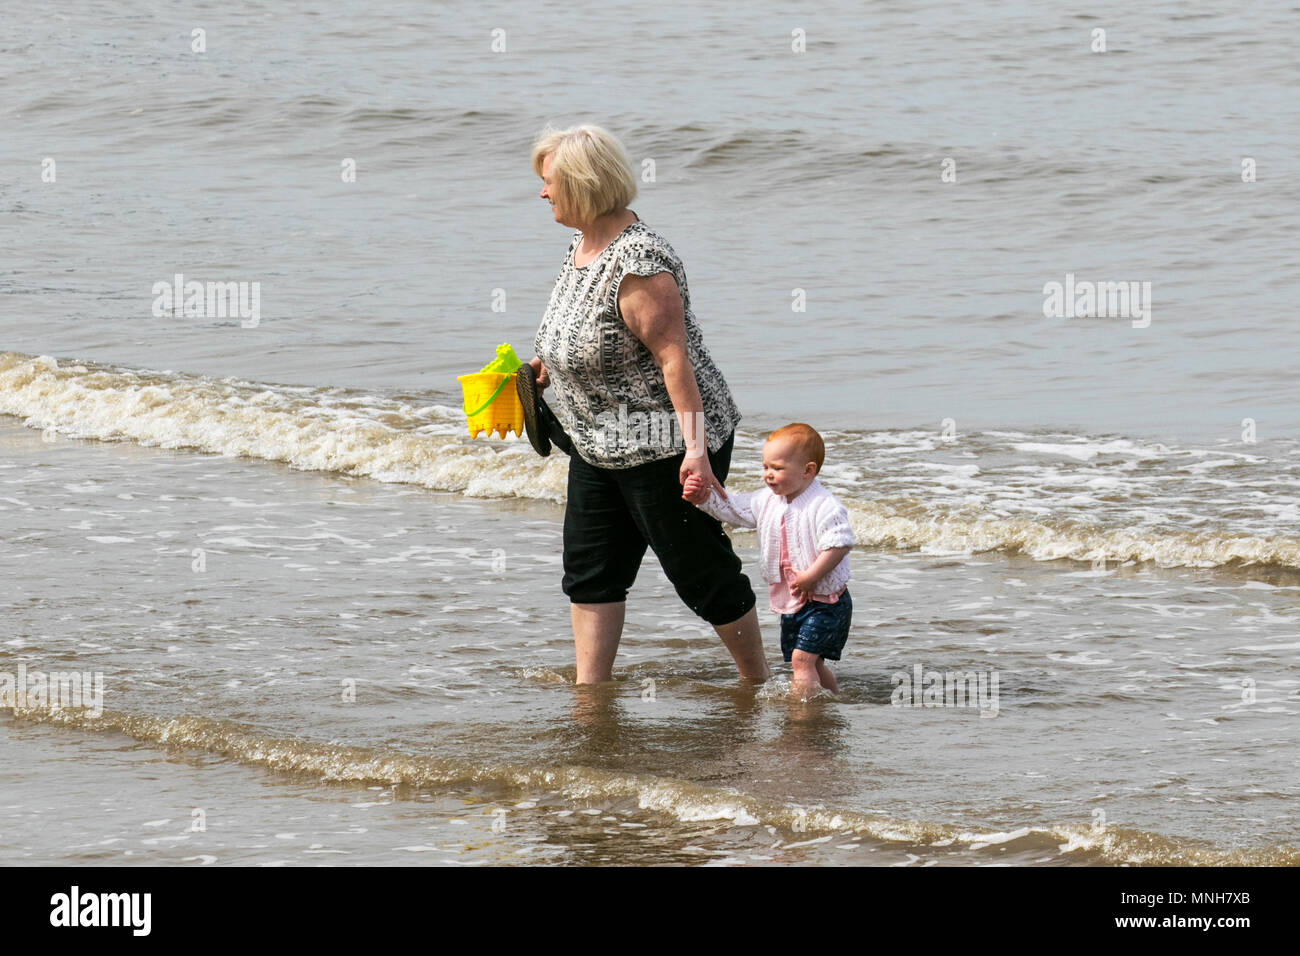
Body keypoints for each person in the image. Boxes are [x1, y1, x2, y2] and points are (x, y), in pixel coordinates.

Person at [527, 123, 770, 685]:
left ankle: (757, 683)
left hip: (664, 444)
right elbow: (585, 335)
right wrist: (545, 372)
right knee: (590, 572)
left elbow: (673, 361)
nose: (542, 194)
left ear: (585, 186)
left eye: (549, 183)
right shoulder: (582, 245)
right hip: (595, 440)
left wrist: (696, 454)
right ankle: (592, 693)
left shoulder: (640, 263)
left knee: (698, 570)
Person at [683, 423, 854, 696]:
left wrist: (811, 576)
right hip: (794, 602)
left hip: (827, 602)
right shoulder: (767, 500)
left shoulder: (824, 505)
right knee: (811, 663)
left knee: (802, 660)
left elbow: (840, 543)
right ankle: (832, 703)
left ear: (808, 470)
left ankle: (803, 717)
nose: (768, 476)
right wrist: (703, 498)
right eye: (765, 467)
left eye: (777, 469)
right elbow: (732, 510)